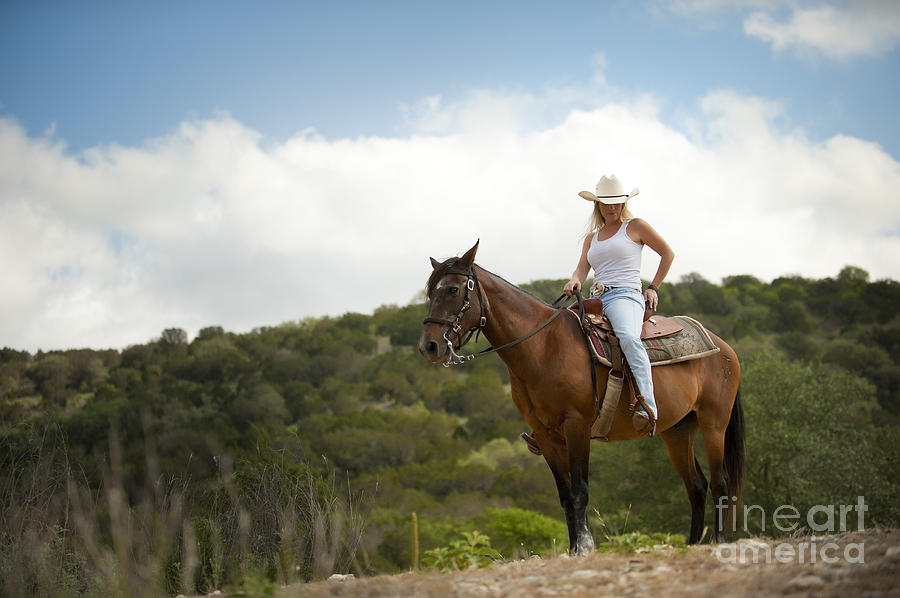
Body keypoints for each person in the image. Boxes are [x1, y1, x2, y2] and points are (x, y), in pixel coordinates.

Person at [563, 174, 674, 435]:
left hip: (625, 295)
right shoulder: (592, 237)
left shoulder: (635, 226)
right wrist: (574, 281)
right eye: (606, 203)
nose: (612, 208)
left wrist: (653, 287)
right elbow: (581, 269)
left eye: (617, 203)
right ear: (597, 205)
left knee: (627, 337)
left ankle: (648, 405)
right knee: (560, 335)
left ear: (624, 203)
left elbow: (667, 253)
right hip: (595, 299)